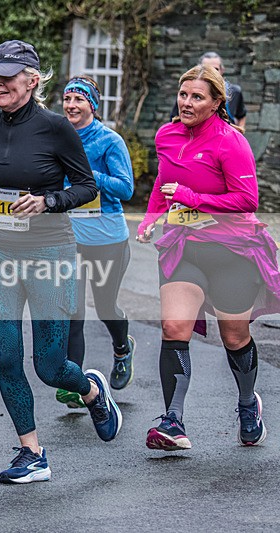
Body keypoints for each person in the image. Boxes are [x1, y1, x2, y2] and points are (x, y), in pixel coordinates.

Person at [0, 40, 122, 484]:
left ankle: (92, 390)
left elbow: (86, 187)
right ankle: (33, 452)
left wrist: (49, 201)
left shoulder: (56, 128)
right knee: (6, 356)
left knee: (49, 366)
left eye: (8, 75)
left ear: (33, 79)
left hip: (50, 254)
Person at [136, 64, 280, 451]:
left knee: (234, 336)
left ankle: (249, 405)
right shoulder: (167, 134)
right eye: (183, 94)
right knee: (173, 327)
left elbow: (247, 200)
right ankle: (173, 421)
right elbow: (163, 184)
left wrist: (193, 198)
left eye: (197, 96)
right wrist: (151, 220)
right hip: (185, 248)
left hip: (232, 251)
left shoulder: (231, 142)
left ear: (217, 102)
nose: (186, 102)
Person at [55, 76, 136, 411]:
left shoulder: (109, 141)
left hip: (107, 239)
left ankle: (122, 347)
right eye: (67, 98)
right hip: (67, 238)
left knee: (105, 308)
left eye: (79, 99)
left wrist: (88, 174)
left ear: (92, 105)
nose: (72, 105)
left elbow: (126, 188)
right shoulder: (57, 137)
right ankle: (75, 383)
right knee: (73, 311)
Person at [170, 52, 247, 130]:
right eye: (207, 69)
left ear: (222, 70)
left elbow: (241, 115)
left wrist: (239, 132)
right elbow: (175, 119)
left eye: (215, 69)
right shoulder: (187, 95)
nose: (211, 74)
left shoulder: (235, 91)